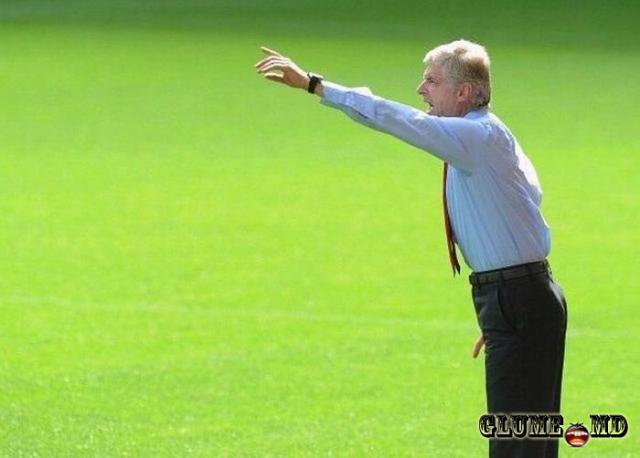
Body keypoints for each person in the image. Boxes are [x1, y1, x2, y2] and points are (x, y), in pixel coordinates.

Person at [255, 39, 568, 458]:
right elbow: (529, 198)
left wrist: (315, 85)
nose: (421, 89)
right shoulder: (490, 134)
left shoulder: (477, 137)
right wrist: (511, 307)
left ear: (463, 91)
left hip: (520, 297)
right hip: (520, 297)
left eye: (432, 81)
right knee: (526, 437)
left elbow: (395, 118)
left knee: (517, 442)